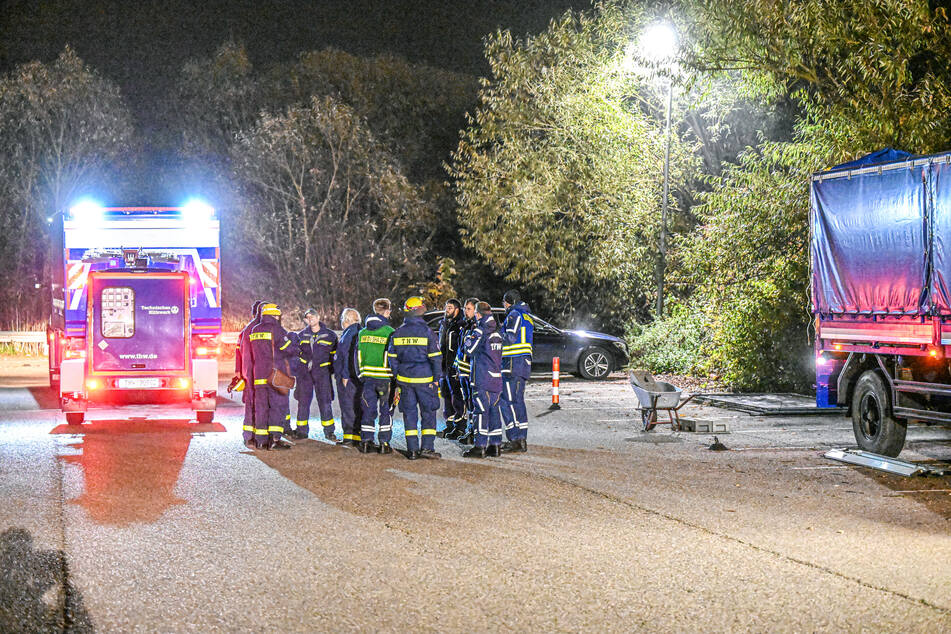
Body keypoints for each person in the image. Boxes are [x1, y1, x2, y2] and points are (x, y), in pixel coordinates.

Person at [387, 296, 443, 460]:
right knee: (428, 414)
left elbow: (392, 357)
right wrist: (436, 378)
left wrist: (399, 375)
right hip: (425, 381)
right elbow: (436, 358)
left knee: (409, 415)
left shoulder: (398, 332)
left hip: (405, 381)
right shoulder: (427, 332)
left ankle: (412, 450)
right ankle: (427, 448)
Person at [250, 303, 298, 450]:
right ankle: (275, 440)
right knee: (278, 406)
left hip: (258, 375)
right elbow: (288, 349)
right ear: (275, 315)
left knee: (261, 408)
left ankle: (260, 441)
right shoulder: (276, 329)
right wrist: (294, 342)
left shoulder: (255, 329)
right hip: (274, 375)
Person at [462, 301, 504, 458]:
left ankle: (480, 447)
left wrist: (468, 338)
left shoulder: (480, 331)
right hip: (496, 378)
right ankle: (496, 445)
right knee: (494, 412)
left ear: (478, 314)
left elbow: (469, 349)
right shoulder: (498, 332)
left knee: (481, 412)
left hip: (482, 378)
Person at [293, 308, 339, 441]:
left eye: (312, 316)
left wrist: (330, 371)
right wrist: (299, 371)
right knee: (303, 402)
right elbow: (296, 354)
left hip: (322, 373)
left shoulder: (330, 335)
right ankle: (301, 430)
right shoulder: (301, 335)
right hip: (305, 374)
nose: (310, 319)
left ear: (318, 318)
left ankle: (329, 431)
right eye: (307, 317)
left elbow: (334, 356)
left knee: (325, 402)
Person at [357, 298, 395, 454]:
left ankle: (366, 442)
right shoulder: (390, 332)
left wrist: (361, 374)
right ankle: (384, 443)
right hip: (385, 378)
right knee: (386, 410)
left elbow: (357, 356)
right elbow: (393, 356)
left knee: (368, 410)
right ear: (386, 311)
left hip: (367, 378)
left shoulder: (362, 332)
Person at [500, 289, 533, 453]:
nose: (504, 306)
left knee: (506, 401)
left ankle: (515, 438)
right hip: (523, 364)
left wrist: (495, 335)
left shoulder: (513, 314)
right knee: (518, 400)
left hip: (512, 364)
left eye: (504, 302)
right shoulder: (527, 316)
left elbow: (510, 337)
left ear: (509, 302)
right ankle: (522, 439)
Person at [233, 300, 264, 448]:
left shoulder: (245, 330)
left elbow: (238, 354)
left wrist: (239, 372)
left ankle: (249, 437)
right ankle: (254, 437)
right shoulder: (259, 329)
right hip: (256, 372)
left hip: (248, 372)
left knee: (251, 405)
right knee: (258, 405)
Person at [333, 307, 364, 447]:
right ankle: (357, 435)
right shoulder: (360, 332)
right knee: (357, 405)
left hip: (347, 377)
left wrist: (344, 375)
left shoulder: (348, 334)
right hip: (357, 376)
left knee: (348, 407)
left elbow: (346, 356)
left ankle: (350, 437)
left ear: (346, 320)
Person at [437, 299, 466, 438]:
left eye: (449, 307)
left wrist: (457, 366)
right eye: (446, 307)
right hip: (444, 367)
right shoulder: (444, 324)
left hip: (454, 367)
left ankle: (460, 426)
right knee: (446, 396)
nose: (446, 310)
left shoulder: (460, 325)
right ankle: (449, 425)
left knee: (457, 397)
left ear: (457, 310)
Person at [451, 298, 478, 443]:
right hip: (463, 372)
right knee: (468, 402)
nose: (465, 311)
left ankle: (475, 432)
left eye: (469, 309)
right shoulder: (466, 326)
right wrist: (456, 367)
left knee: (474, 404)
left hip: (471, 372)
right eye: (465, 308)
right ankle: (470, 430)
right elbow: (460, 350)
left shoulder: (476, 328)